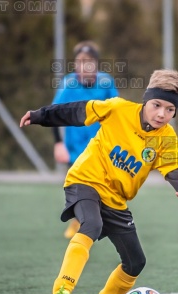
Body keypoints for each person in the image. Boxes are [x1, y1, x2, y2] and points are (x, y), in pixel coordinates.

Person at [20, 69, 178, 294]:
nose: (162, 114)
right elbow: (77, 111)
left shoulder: (166, 137)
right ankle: (60, 293)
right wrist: (41, 116)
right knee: (91, 225)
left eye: (170, 109)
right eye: (157, 105)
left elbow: (175, 166)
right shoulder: (118, 109)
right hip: (85, 180)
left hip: (115, 199)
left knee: (135, 261)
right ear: (146, 100)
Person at [52, 41, 119, 239]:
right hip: (75, 149)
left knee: (101, 188)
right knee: (78, 189)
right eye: (80, 62)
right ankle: (79, 221)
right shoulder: (69, 84)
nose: (85, 67)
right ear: (75, 65)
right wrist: (58, 144)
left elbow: (116, 112)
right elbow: (54, 113)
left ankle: (88, 222)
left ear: (96, 64)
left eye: (89, 62)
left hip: (100, 147)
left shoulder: (106, 82)